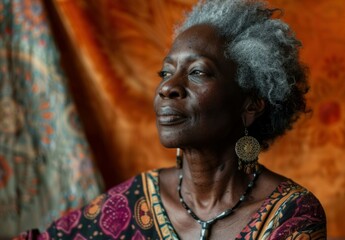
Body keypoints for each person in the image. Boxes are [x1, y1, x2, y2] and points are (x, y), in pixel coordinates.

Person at [16, 0, 326, 239]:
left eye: (198, 72)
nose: (167, 87)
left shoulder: (290, 215)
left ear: (250, 105)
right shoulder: (133, 202)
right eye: (165, 73)